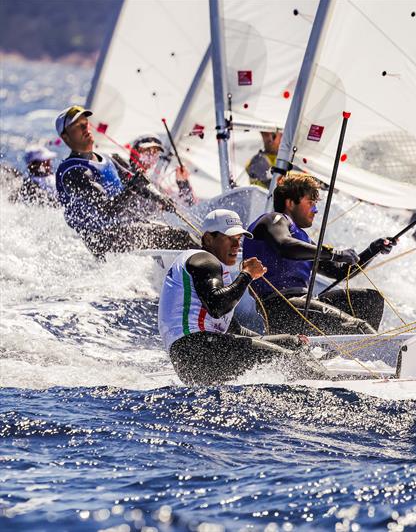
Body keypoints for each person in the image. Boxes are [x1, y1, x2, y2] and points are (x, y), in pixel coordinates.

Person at [158, 209, 322, 385]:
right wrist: (247, 275)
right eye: (230, 238)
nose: (236, 246)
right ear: (208, 239)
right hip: (198, 350)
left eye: (239, 239)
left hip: (198, 354)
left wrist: (282, 340)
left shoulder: (213, 267)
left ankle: (322, 377)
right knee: (288, 361)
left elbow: (233, 329)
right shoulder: (204, 261)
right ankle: (328, 385)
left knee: (292, 343)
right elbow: (217, 306)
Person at [242, 173, 397, 336]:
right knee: (357, 327)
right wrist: (334, 253)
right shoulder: (274, 219)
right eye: (310, 203)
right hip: (282, 307)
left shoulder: (303, 239)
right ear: (290, 202)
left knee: (370, 300)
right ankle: (374, 349)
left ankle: (337, 358)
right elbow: (284, 246)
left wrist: (372, 250)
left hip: (305, 303)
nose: (315, 210)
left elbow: (340, 271)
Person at [53, 105, 197, 258]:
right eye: (78, 126)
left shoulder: (110, 158)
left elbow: (139, 182)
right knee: (182, 238)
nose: (85, 127)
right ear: (66, 137)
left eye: (86, 123)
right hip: (103, 239)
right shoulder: (72, 172)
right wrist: (133, 189)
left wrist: (160, 198)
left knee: (183, 234)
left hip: (125, 230)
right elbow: (106, 211)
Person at [112, 134, 196, 207]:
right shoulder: (120, 167)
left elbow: (187, 203)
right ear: (135, 151)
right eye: (147, 151)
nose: (151, 156)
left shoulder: (155, 186)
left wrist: (182, 182)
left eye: (155, 152)